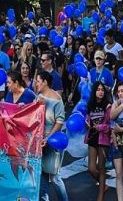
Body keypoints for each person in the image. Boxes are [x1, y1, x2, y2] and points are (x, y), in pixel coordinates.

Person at [35, 71, 68, 201]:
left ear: (45, 82)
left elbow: (59, 122)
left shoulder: (56, 100)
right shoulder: (39, 96)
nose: (36, 83)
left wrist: (48, 139)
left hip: (52, 142)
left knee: (54, 177)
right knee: (42, 174)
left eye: (38, 81)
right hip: (40, 141)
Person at [85, 82, 112, 201]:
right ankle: (103, 185)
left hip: (103, 138)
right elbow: (87, 117)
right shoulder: (90, 104)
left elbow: (109, 125)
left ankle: (100, 196)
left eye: (102, 90)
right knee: (91, 168)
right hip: (92, 137)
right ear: (94, 91)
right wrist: (87, 122)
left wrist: (99, 127)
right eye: (98, 89)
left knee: (101, 167)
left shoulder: (108, 106)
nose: (100, 92)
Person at [110, 83, 123, 201]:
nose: (121, 93)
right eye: (119, 91)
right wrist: (121, 105)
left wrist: (122, 129)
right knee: (119, 174)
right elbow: (112, 116)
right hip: (117, 143)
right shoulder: (116, 104)